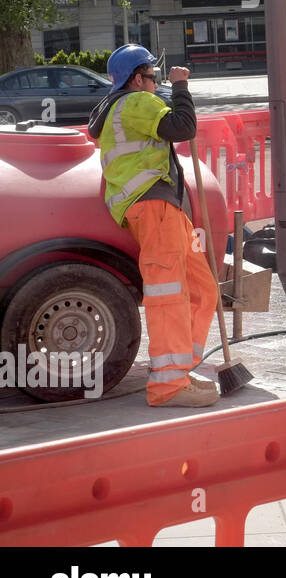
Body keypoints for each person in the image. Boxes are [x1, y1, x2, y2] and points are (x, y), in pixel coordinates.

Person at [88, 45, 219, 408]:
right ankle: (168, 386)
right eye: (153, 76)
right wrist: (180, 87)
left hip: (161, 207)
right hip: (153, 205)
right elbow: (183, 127)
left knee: (201, 289)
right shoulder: (134, 102)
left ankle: (179, 368)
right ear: (136, 78)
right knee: (170, 295)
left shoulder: (119, 108)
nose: (156, 83)